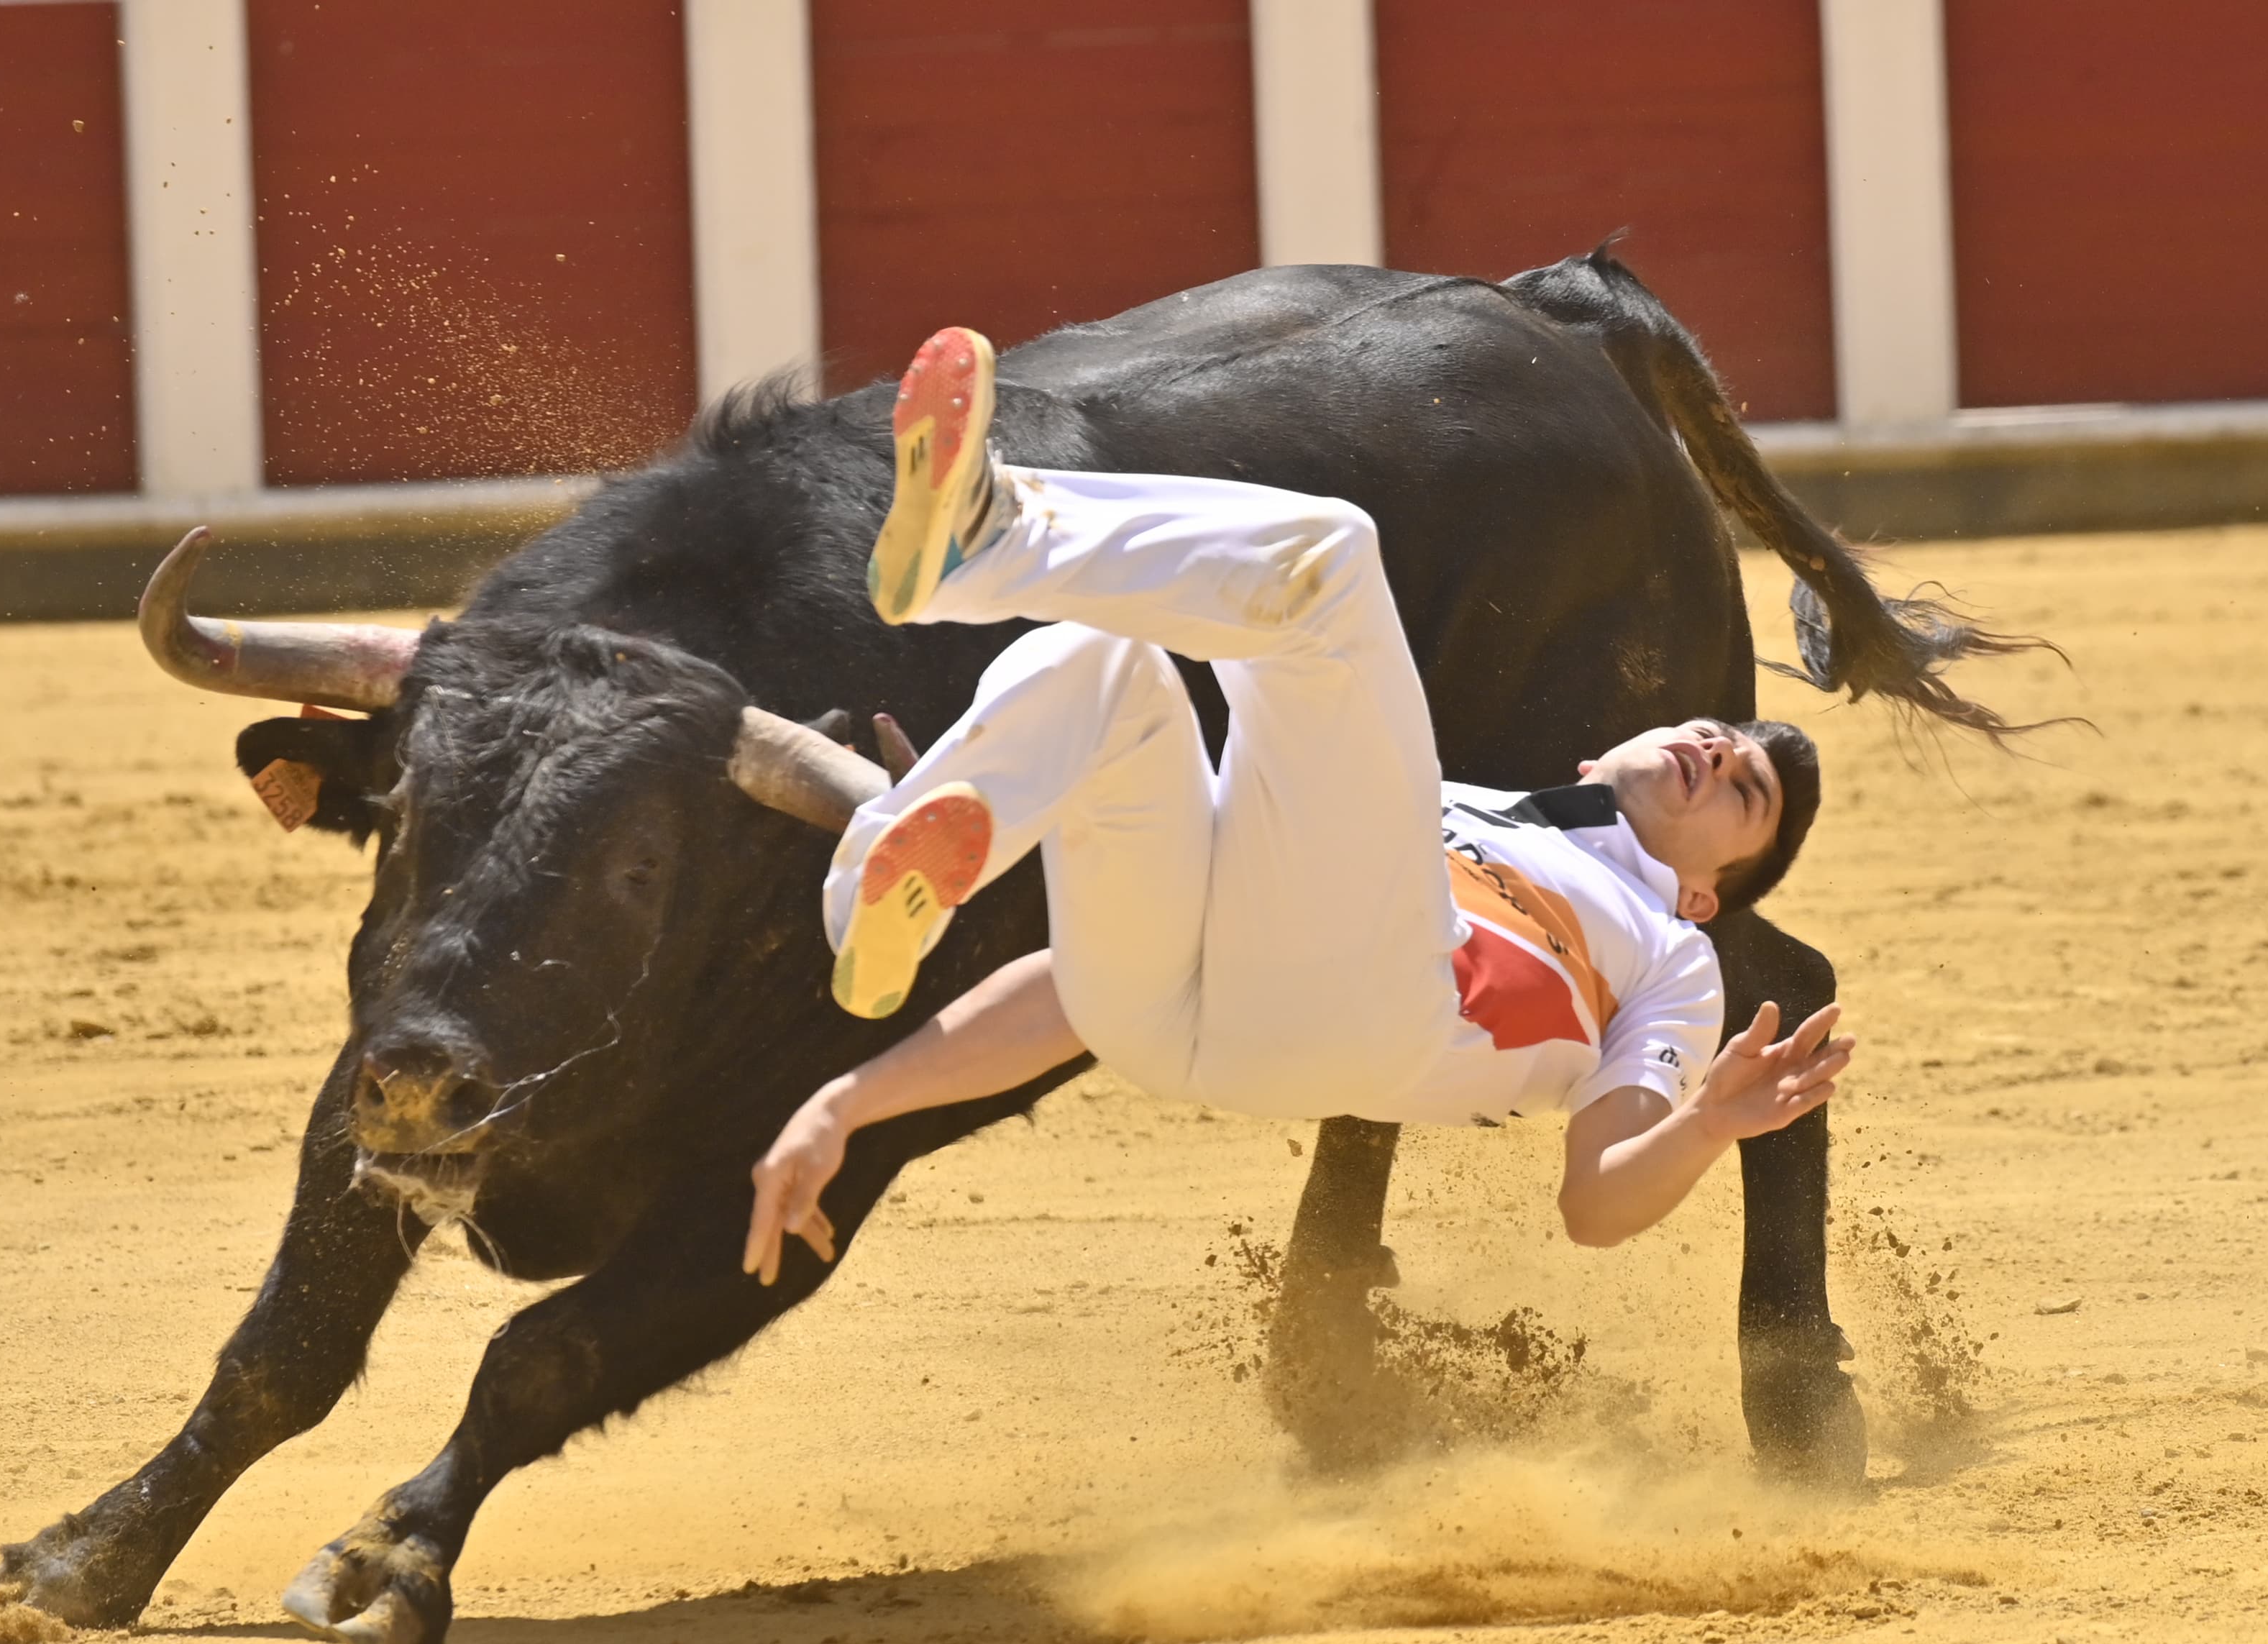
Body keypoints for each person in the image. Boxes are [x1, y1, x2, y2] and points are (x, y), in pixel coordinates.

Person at [744, 328, 1854, 1285]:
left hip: (1386, 1015)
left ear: (1708, 891)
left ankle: (991, 538)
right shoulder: (1425, 799)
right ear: (1608, 742)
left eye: (1744, 787)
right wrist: (849, 1100)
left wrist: (1708, 1123)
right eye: (1707, 730)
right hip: (1172, 1022)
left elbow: (1593, 1209)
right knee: (1103, 671)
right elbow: (1071, 991)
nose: (1716, 745)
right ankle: (882, 877)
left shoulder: (1672, 954)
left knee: (1328, 561)